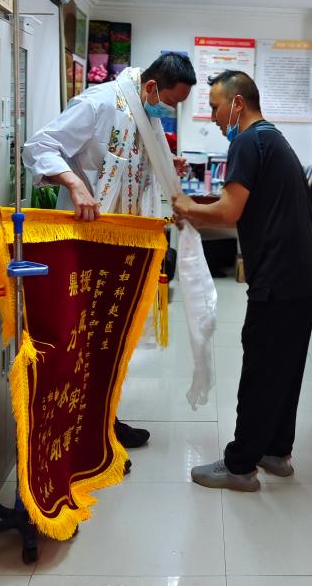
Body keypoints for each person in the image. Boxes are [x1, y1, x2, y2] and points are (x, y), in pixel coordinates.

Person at [23, 52, 197, 449]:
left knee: (112, 337)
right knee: (84, 338)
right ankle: (82, 430)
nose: (170, 111)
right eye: (171, 101)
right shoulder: (99, 103)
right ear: (152, 86)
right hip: (88, 241)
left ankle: (104, 421)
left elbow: (134, 163)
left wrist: (168, 165)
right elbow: (39, 146)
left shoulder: (145, 111)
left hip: (124, 244)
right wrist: (73, 183)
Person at [172, 70, 312, 491]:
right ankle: (276, 450)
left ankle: (240, 466)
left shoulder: (246, 140)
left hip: (280, 274)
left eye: (215, 107)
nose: (212, 116)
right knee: (286, 366)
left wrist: (186, 207)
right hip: (304, 272)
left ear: (237, 103)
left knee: (261, 366)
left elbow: (228, 211)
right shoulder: (271, 138)